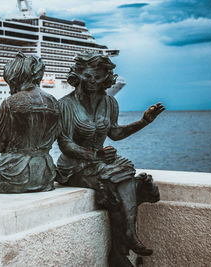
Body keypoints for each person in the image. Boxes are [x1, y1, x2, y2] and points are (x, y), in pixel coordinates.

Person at [56, 51, 165, 266]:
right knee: (121, 182)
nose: (93, 81)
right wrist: (95, 154)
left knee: (122, 173)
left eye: (98, 77)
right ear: (78, 74)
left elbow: (115, 134)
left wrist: (144, 121)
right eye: (88, 76)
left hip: (100, 163)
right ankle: (127, 240)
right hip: (74, 167)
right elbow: (65, 144)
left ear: (106, 78)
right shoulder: (65, 105)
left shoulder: (110, 103)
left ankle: (121, 250)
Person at [0, 52, 60, 193]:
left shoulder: (11, 102)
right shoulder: (54, 102)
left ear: (15, 76)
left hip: (16, 173)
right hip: (45, 173)